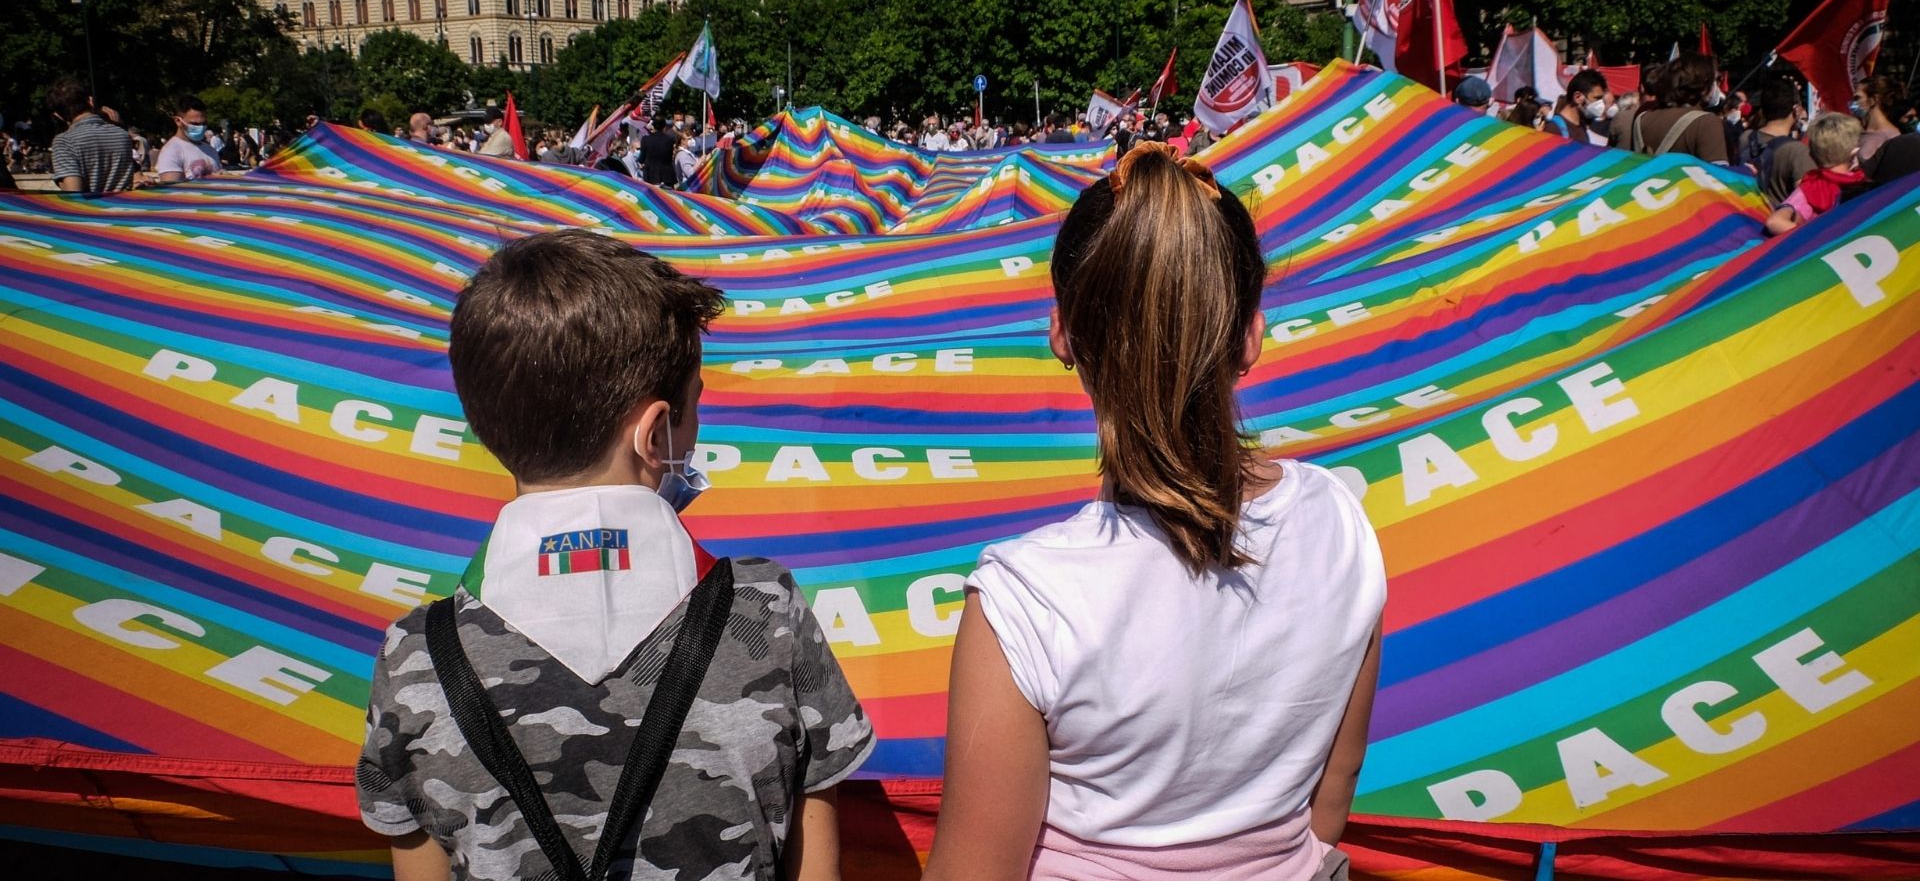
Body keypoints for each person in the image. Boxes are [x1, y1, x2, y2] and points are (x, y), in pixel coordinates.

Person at [923, 143, 1385, 881]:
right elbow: (1330, 801)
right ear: (1249, 337)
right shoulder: (1340, 523)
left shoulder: (1026, 603)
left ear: (1063, 335)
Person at [356, 230, 874, 881]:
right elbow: (814, 862)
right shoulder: (767, 611)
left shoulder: (415, 654)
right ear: (656, 432)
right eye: (693, 410)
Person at [1765, 113, 1868, 236]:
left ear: (1813, 154)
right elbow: (1774, 222)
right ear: (1854, 151)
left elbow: (1775, 222)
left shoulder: (1811, 187)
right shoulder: (1812, 187)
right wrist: (1824, 238)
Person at [1625, 53, 1728, 162]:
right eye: (1716, 80)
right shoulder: (1706, 122)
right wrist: (1746, 170)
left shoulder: (1642, 118)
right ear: (1702, 84)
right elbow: (1717, 175)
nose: (1717, 86)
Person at [47, 77, 137, 193]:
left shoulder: (64, 141)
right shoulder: (121, 134)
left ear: (58, 115)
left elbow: (74, 193)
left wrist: (60, 181)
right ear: (90, 101)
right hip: (124, 207)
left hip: (92, 210)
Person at [1737, 79, 1814, 207]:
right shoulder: (1798, 151)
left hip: (1748, 219)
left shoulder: (1746, 138)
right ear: (1796, 109)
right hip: (1779, 223)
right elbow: (1805, 205)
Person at [154, 95, 224, 184]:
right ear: (178, 121)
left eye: (204, 123)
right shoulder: (171, 151)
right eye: (194, 124)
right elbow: (173, 189)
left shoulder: (210, 149)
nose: (201, 128)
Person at [1853, 74, 1905, 172]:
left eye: (1857, 98)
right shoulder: (1860, 131)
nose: (1853, 103)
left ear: (1873, 100)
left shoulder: (1891, 138)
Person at [1546, 70, 1608, 142]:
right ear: (1577, 97)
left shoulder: (1581, 125)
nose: (1601, 104)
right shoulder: (1554, 129)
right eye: (1597, 98)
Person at [636, 117, 678, 185]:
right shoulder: (670, 140)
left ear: (653, 126)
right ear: (664, 126)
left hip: (650, 175)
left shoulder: (645, 139)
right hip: (667, 175)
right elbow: (670, 157)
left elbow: (641, 159)